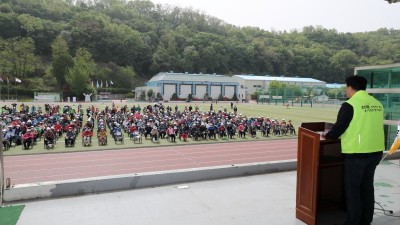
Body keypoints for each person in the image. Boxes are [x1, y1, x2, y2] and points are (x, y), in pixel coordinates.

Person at [323, 76, 384, 225]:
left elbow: (339, 128)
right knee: (367, 188)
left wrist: (328, 135)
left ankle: (353, 221)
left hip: (357, 153)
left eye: (346, 87)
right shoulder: (377, 103)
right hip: (375, 151)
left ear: (350, 87)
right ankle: (365, 220)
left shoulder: (350, 105)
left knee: (353, 190)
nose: (346, 90)